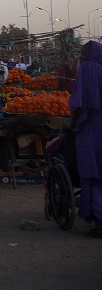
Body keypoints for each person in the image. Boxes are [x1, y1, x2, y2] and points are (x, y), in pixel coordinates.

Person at [69, 40, 102, 238]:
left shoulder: (90, 68)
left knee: (92, 170)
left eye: (84, 50)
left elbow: (85, 102)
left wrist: (72, 122)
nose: (81, 54)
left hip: (92, 125)